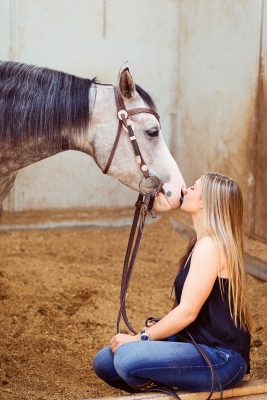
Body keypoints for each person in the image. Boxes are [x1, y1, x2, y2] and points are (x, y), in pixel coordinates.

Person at [93, 172, 252, 393]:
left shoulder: (211, 246)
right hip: (195, 344)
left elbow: (187, 312)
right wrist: (158, 329)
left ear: (207, 202)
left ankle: (157, 378)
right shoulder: (201, 242)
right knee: (104, 361)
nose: (185, 190)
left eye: (194, 188)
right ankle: (163, 375)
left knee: (127, 358)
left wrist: (142, 338)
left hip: (222, 359)